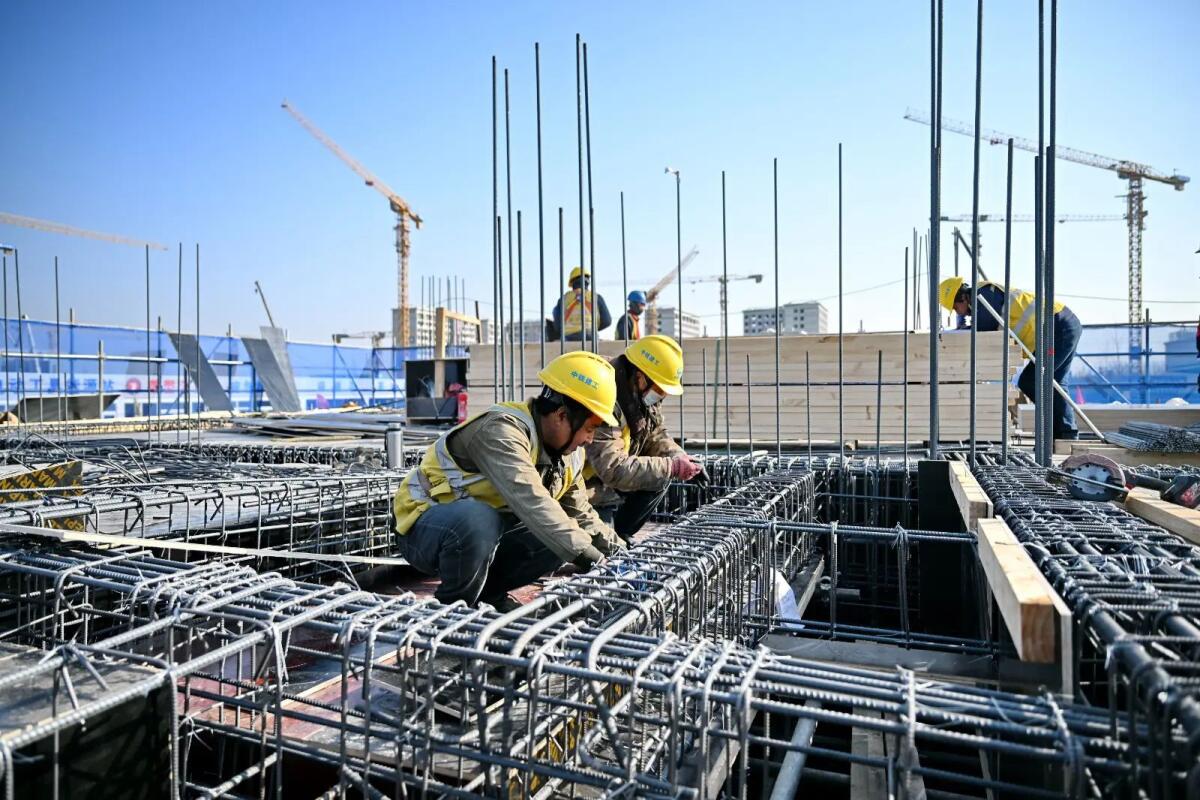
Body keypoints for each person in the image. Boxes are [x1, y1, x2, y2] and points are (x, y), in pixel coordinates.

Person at [392, 351, 626, 609]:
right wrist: (592, 559)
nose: (590, 440)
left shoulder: (569, 455)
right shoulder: (501, 431)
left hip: (484, 535)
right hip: (425, 528)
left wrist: (623, 556)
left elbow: (581, 514)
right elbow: (533, 502)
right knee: (482, 520)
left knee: (559, 538)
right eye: (590, 429)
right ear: (561, 415)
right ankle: (453, 607)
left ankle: (487, 595)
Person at [584, 334, 707, 541]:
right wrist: (672, 467)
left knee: (660, 477)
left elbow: (655, 435)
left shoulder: (637, 395)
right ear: (640, 377)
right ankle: (607, 534)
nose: (661, 396)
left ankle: (620, 533)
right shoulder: (605, 395)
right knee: (591, 549)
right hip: (587, 488)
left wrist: (681, 458)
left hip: (609, 480)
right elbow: (612, 469)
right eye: (659, 389)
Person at [939, 276, 1082, 440]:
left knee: (1032, 381)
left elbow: (984, 329)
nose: (958, 312)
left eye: (956, 308)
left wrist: (957, 331)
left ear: (962, 297)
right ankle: (1065, 434)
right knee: (1054, 382)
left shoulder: (984, 295)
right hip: (1061, 324)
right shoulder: (982, 298)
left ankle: (1059, 432)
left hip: (1056, 327)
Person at [552, 267, 612, 342]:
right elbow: (607, 321)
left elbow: (557, 325)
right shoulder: (596, 297)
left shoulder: (563, 299)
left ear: (572, 282)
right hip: (591, 336)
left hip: (569, 338)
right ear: (588, 282)